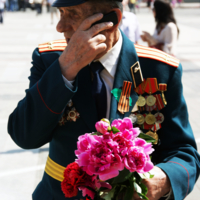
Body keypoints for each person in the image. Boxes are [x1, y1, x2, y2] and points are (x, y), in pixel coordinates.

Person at [7, 0, 200, 200]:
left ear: (113, 20)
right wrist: (65, 68)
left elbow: (183, 151)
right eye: (61, 13)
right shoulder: (50, 60)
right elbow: (25, 135)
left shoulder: (158, 69)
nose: (60, 26)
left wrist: (164, 178)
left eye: (72, 14)